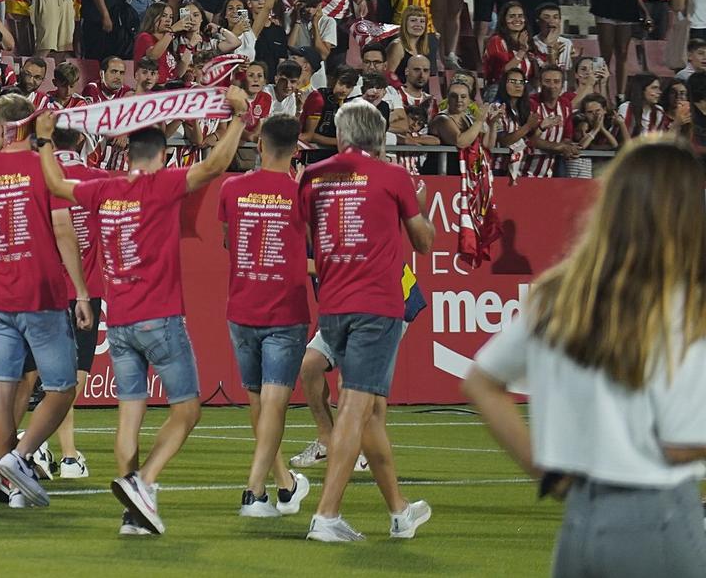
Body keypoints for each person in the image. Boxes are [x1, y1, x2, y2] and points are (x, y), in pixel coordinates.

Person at [464, 139, 706, 576]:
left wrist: (544, 470)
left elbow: (481, 382)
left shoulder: (560, 293)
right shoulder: (687, 306)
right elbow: (681, 442)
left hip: (581, 519)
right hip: (659, 517)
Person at [34, 89, 251, 537]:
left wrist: (42, 142)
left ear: (129, 153)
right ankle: (143, 484)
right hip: (161, 318)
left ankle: (132, 514)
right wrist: (240, 120)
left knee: (129, 414)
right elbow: (213, 166)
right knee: (188, 410)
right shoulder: (164, 184)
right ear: (162, 155)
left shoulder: (104, 189)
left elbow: (56, 185)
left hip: (121, 320)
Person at [300, 99, 436, 543]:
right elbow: (423, 243)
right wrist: (423, 206)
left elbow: (307, 237)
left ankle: (399, 512)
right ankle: (326, 516)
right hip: (376, 305)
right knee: (358, 408)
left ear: (340, 137)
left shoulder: (313, 177)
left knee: (372, 410)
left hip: (333, 303)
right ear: (378, 140)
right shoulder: (393, 176)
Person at [0, 93, 93, 507]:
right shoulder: (43, 167)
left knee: (1, 389)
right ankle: (18, 458)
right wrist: (82, 290)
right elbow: (63, 230)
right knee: (62, 386)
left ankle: (3, 469)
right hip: (42, 295)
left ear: (3, 127)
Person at [218, 114, 313, 519]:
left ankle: (285, 484)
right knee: (273, 403)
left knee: (259, 402)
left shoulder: (232, 187)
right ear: (296, 152)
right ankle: (254, 492)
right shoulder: (300, 194)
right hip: (284, 311)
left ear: (259, 145)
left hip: (241, 308)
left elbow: (228, 241)